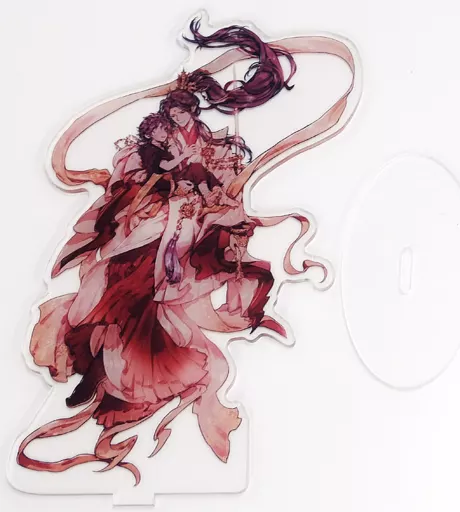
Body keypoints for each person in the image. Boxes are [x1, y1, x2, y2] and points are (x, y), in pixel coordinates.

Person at [16, 18, 352, 485]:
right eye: (175, 114)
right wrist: (168, 181)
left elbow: (215, 181)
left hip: (187, 225)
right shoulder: (152, 142)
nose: (179, 120)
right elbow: (137, 174)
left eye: (184, 113)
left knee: (161, 288)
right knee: (122, 285)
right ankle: (94, 363)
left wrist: (208, 192)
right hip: (156, 220)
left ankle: (112, 369)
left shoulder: (209, 142)